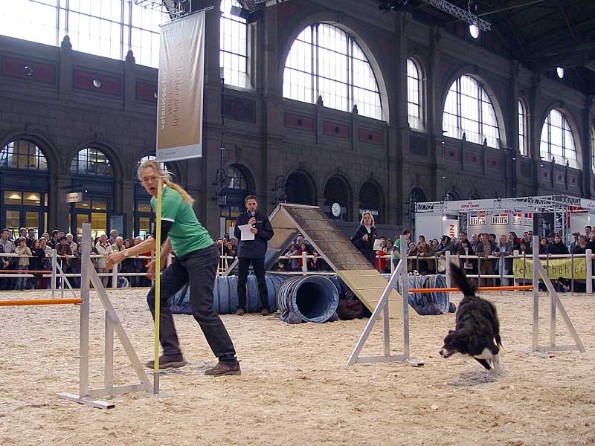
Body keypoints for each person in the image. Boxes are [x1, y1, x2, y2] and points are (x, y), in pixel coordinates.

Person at [107, 160, 240, 376]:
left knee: (202, 309)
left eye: (152, 177)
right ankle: (173, 353)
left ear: (161, 177)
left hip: (202, 254)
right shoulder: (155, 200)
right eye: (145, 179)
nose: (149, 182)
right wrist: (161, 257)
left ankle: (229, 361)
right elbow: (168, 235)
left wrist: (122, 254)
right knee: (155, 297)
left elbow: (155, 238)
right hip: (184, 257)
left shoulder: (169, 198)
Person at [234, 195, 274, 316]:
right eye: (250, 204)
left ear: (257, 205)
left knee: (261, 280)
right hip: (244, 252)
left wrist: (258, 232)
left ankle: (265, 306)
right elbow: (236, 234)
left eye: (254, 204)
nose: (252, 206)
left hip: (258, 253)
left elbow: (270, 234)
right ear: (246, 205)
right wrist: (247, 225)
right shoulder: (241, 217)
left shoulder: (263, 217)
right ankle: (241, 307)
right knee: (241, 280)